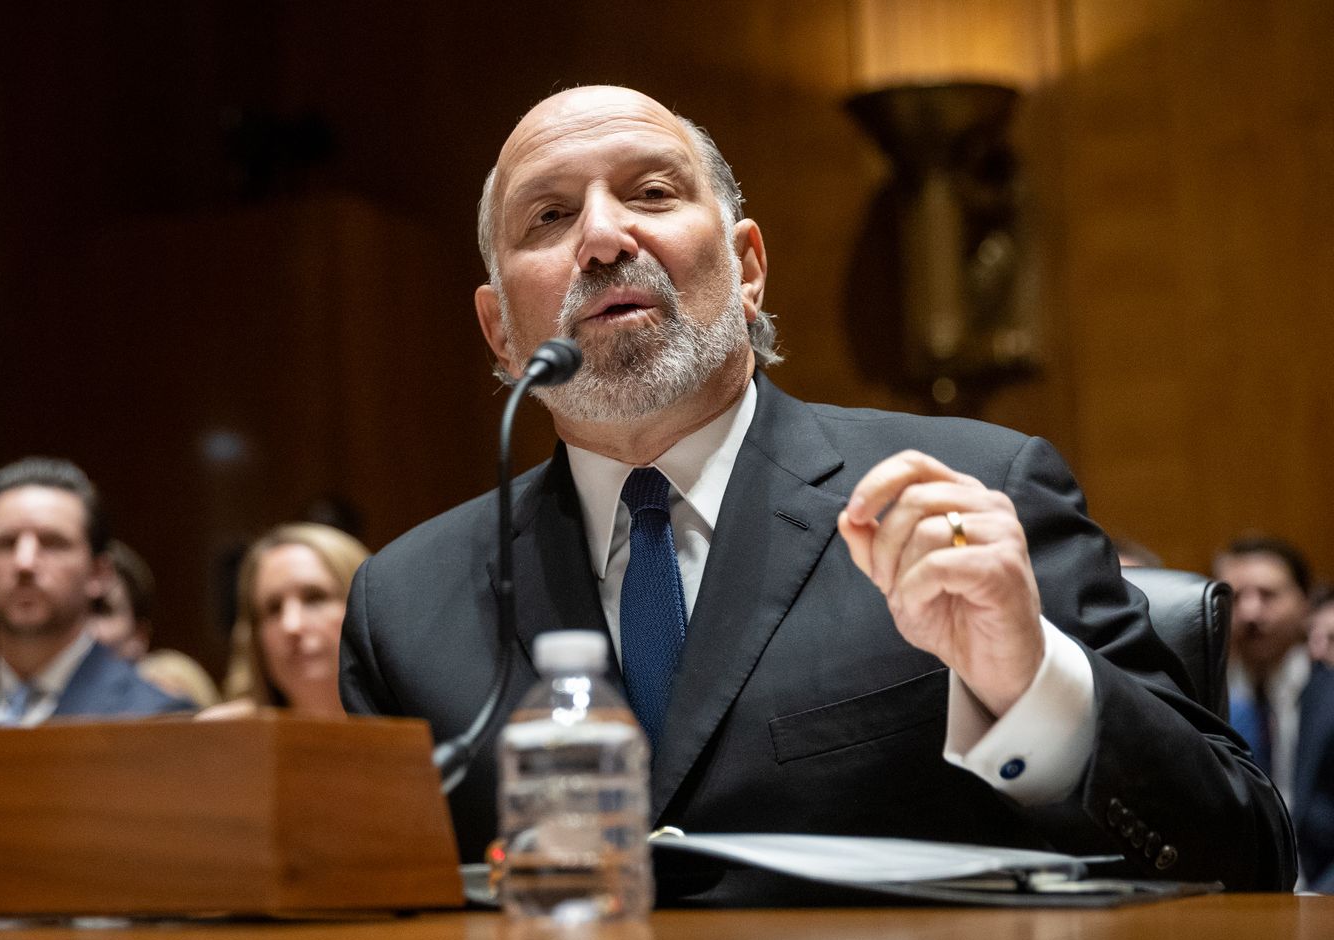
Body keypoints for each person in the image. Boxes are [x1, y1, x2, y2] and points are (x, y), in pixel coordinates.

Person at [339, 85, 1292, 899]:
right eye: (548, 217)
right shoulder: (403, 607)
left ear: (748, 267)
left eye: (652, 193)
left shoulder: (969, 493)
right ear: (500, 330)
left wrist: (1028, 680)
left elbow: (1245, 856)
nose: (601, 237)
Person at [0, 458, 190, 725]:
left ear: (98, 574)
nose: (24, 563)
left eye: (52, 543)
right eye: (6, 543)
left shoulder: (161, 721)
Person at [220, 522, 368, 715]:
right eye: (273, 609)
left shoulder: (418, 718)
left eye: (315, 597)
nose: (291, 625)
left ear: (365, 606)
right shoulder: (229, 737)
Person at [1212, 537, 1315, 800]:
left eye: (1267, 595)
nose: (1250, 612)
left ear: (1305, 603)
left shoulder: (1327, 690)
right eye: (1234, 597)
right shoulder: (1204, 698)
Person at [93, 538, 222, 708]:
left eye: (102, 610)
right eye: (74, 612)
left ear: (139, 636)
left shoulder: (166, 693)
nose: (82, 629)